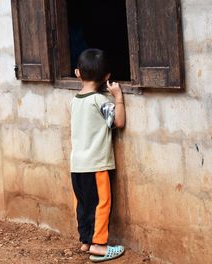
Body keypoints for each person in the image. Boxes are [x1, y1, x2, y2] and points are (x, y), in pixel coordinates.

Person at [70, 49, 126, 262]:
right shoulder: (99, 100)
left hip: (77, 165)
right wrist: (118, 98)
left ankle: (85, 242)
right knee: (101, 204)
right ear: (106, 77)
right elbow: (118, 122)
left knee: (83, 204)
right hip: (97, 165)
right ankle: (99, 247)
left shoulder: (75, 100)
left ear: (77, 73)